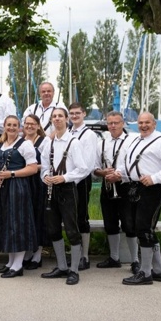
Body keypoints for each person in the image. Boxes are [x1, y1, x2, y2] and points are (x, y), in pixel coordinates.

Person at [119, 112, 161, 285]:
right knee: (143, 228)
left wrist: (154, 178)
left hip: (152, 189)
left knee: (143, 228)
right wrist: (121, 175)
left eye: (147, 122)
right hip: (136, 187)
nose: (143, 125)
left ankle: (145, 273)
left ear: (154, 124)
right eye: (140, 122)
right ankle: (159, 270)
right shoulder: (136, 140)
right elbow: (131, 164)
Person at [40, 108, 90, 286]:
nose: (57, 119)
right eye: (54, 116)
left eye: (60, 116)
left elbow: (83, 169)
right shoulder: (49, 143)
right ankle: (61, 266)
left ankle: (74, 270)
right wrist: (45, 176)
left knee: (71, 230)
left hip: (68, 189)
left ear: (66, 119)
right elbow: (44, 166)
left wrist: (64, 177)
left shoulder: (74, 142)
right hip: (52, 189)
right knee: (53, 229)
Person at [0, 115, 39, 278]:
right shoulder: (0, 144)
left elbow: (32, 168)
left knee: (17, 223)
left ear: (19, 128)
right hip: (3, 187)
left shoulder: (25, 144)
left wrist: (11, 173)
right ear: (4, 126)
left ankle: (18, 265)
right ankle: (10, 262)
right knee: (6, 222)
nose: (11, 127)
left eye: (15, 125)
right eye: (8, 124)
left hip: (18, 186)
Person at [93, 112, 138, 271]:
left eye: (116, 123)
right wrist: (103, 172)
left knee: (129, 224)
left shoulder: (131, 141)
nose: (112, 126)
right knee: (110, 223)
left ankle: (135, 261)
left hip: (125, 186)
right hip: (107, 187)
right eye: (110, 123)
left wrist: (119, 175)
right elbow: (95, 169)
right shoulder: (101, 143)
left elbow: (134, 164)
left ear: (123, 123)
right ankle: (114, 258)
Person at [68, 102, 99, 270]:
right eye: (71, 113)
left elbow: (87, 163)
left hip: (80, 180)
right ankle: (75, 254)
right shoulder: (68, 132)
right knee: (70, 217)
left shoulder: (89, 135)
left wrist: (73, 179)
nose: (74, 116)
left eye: (77, 113)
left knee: (82, 217)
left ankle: (84, 256)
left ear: (84, 114)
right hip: (67, 180)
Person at [21, 114, 49, 270]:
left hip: (38, 182)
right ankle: (26, 252)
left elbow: (47, 164)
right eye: (27, 124)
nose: (29, 126)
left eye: (32, 124)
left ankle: (37, 255)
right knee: (26, 217)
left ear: (38, 126)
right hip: (24, 182)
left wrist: (30, 167)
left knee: (38, 217)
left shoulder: (45, 142)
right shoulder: (21, 141)